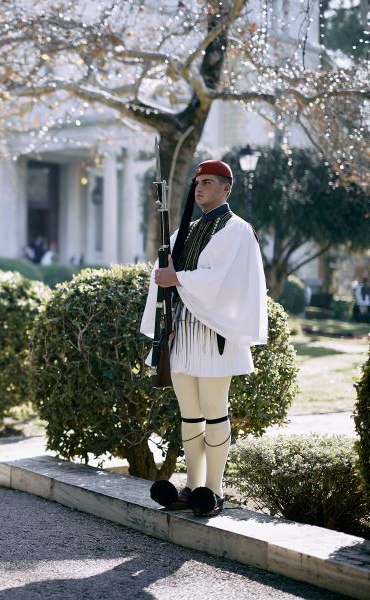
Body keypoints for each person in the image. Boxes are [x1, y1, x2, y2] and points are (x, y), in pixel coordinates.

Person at [141, 159, 268, 517]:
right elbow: (164, 272)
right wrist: (165, 275)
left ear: (227, 188)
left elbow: (225, 279)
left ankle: (215, 490)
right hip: (182, 332)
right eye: (198, 182)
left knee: (214, 412)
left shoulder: (236, 230)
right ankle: (192, 487)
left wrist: (177, 279)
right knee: (189, 414)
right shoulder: (186, 229)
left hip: (215, 332)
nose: (200, 188)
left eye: (209, 182)